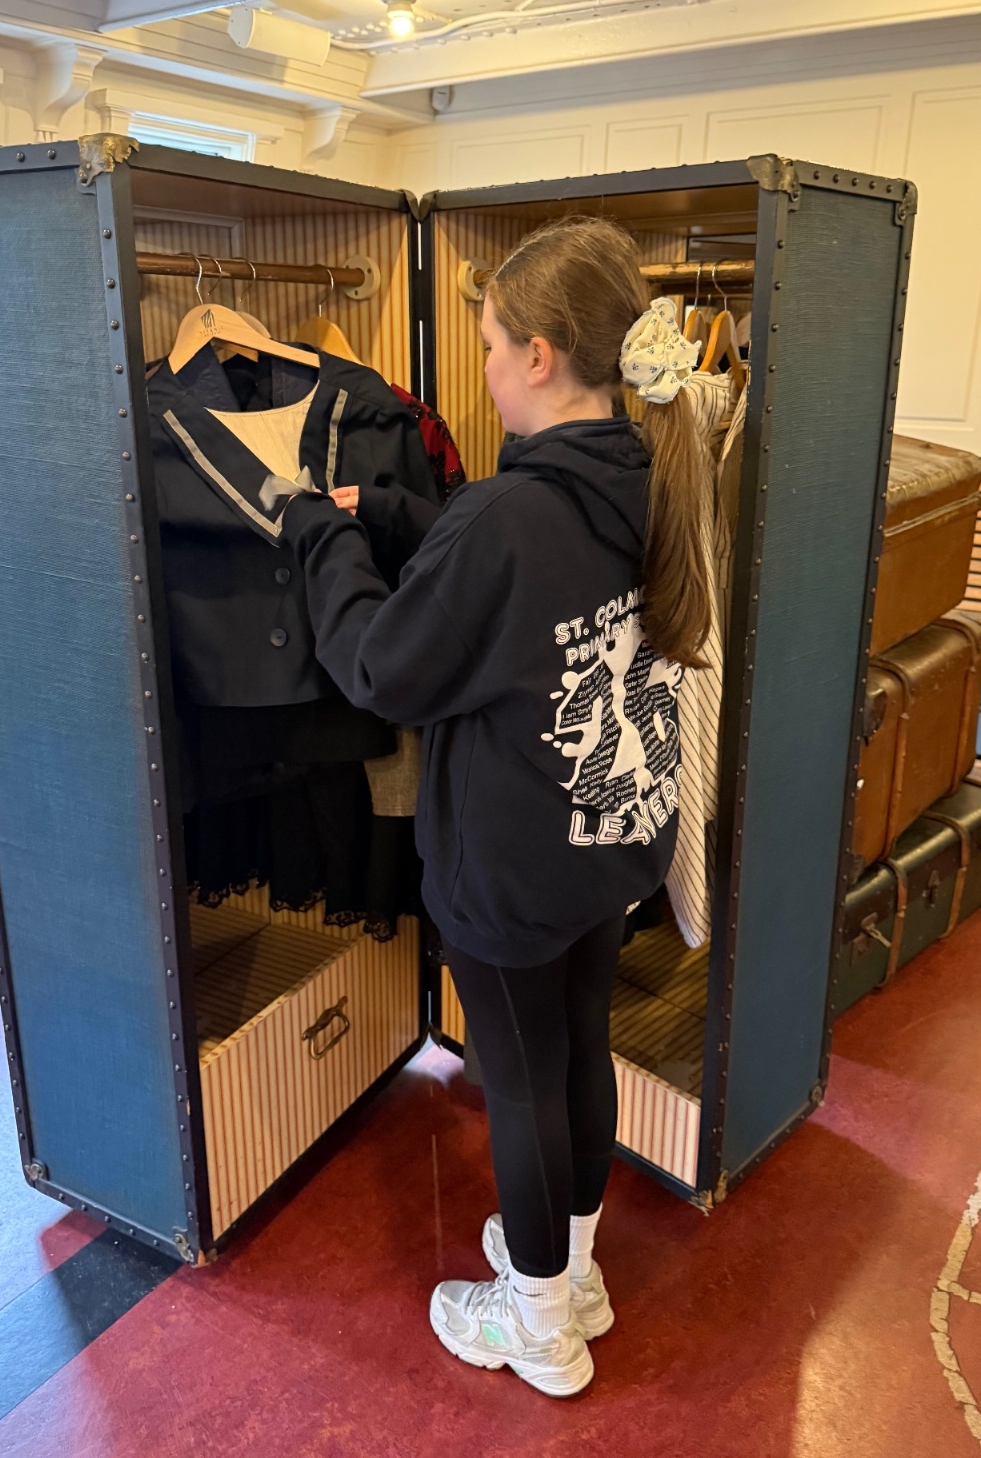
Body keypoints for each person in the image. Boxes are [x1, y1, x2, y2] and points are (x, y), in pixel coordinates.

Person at [166, 216, 713, 1397]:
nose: (486, 365)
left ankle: (539, 1324)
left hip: (513, 862)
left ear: (541, 356)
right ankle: (573, 1269)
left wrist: (321, 533)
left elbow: (382, 666)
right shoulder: (648, 467)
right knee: (577, 1045)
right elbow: (515, 564)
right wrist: (395, 511)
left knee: (518, 1079)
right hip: (610, 829)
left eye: (492, 344)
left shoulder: (506, 519)